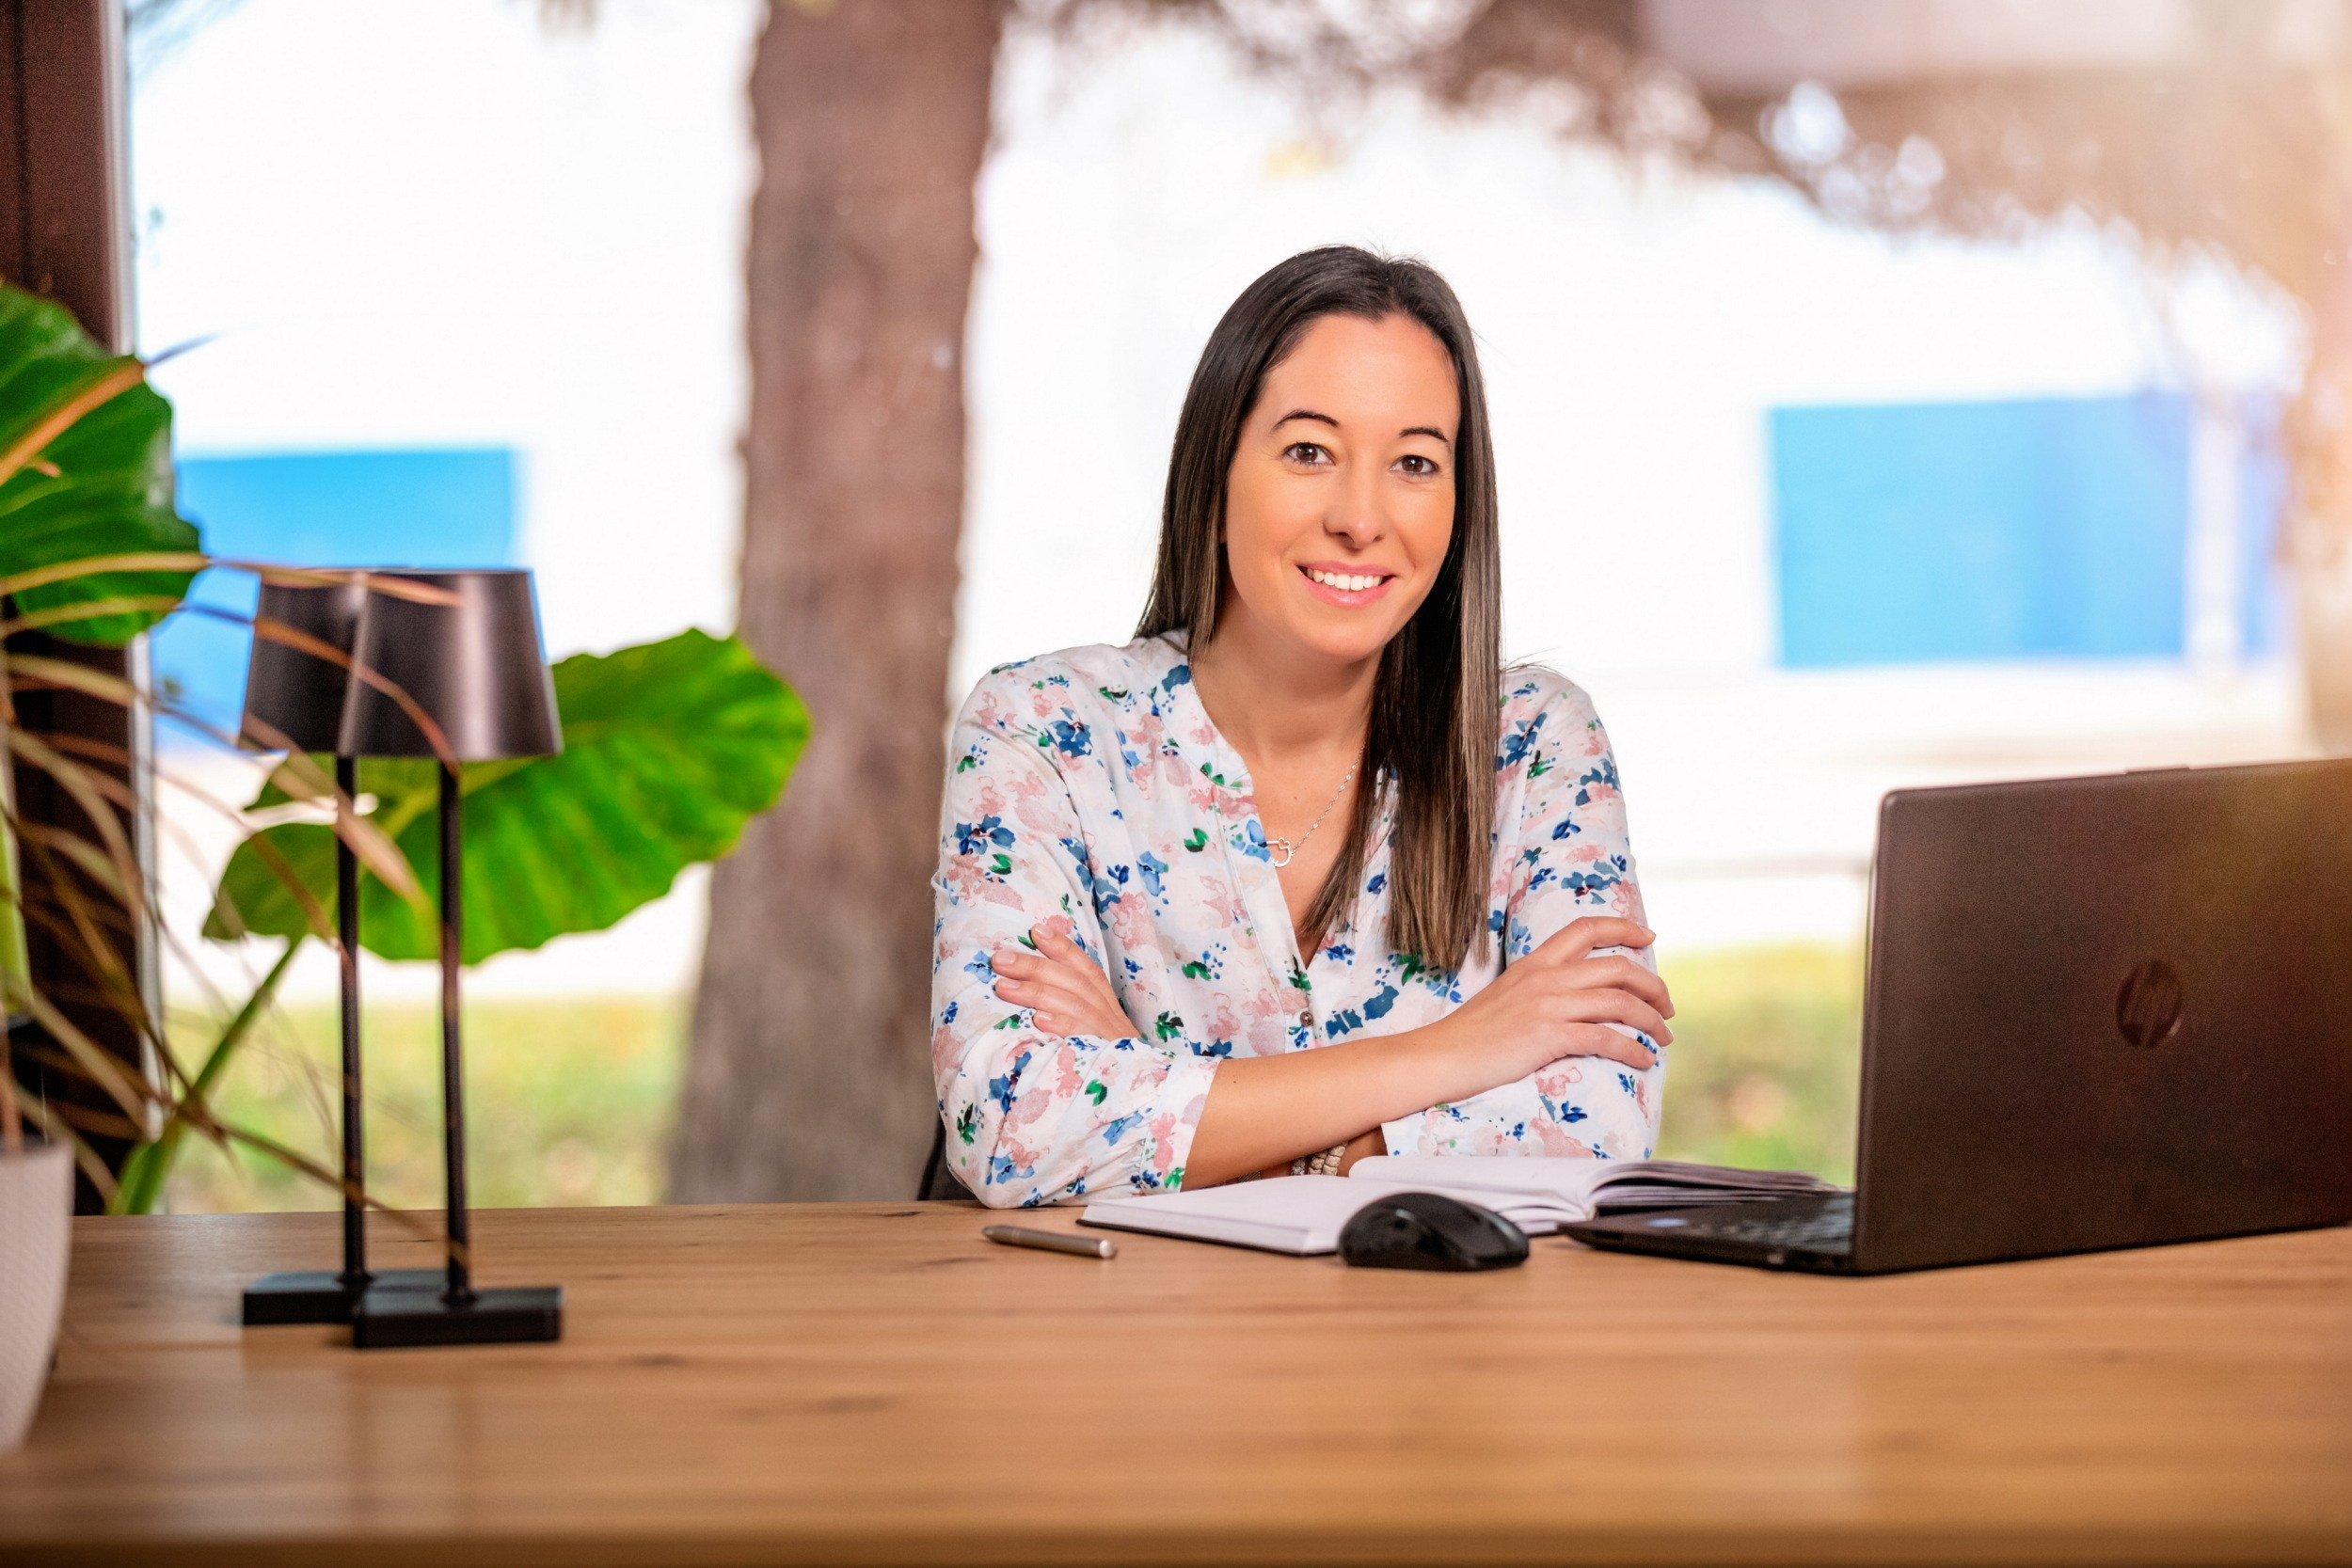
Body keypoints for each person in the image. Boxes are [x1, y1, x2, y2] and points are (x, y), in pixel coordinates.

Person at [930, 245, 1673, 1208]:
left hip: (1459, 1348)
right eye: (1309, 451)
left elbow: (1599, 1121)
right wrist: (1460, 1050)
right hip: (1132, 1346)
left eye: (1414, 462)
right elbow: (1011, 1124)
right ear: (1217, 472)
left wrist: (1155, 1088)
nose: (1361, 518)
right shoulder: (1043, 731)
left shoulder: (1532, 741)